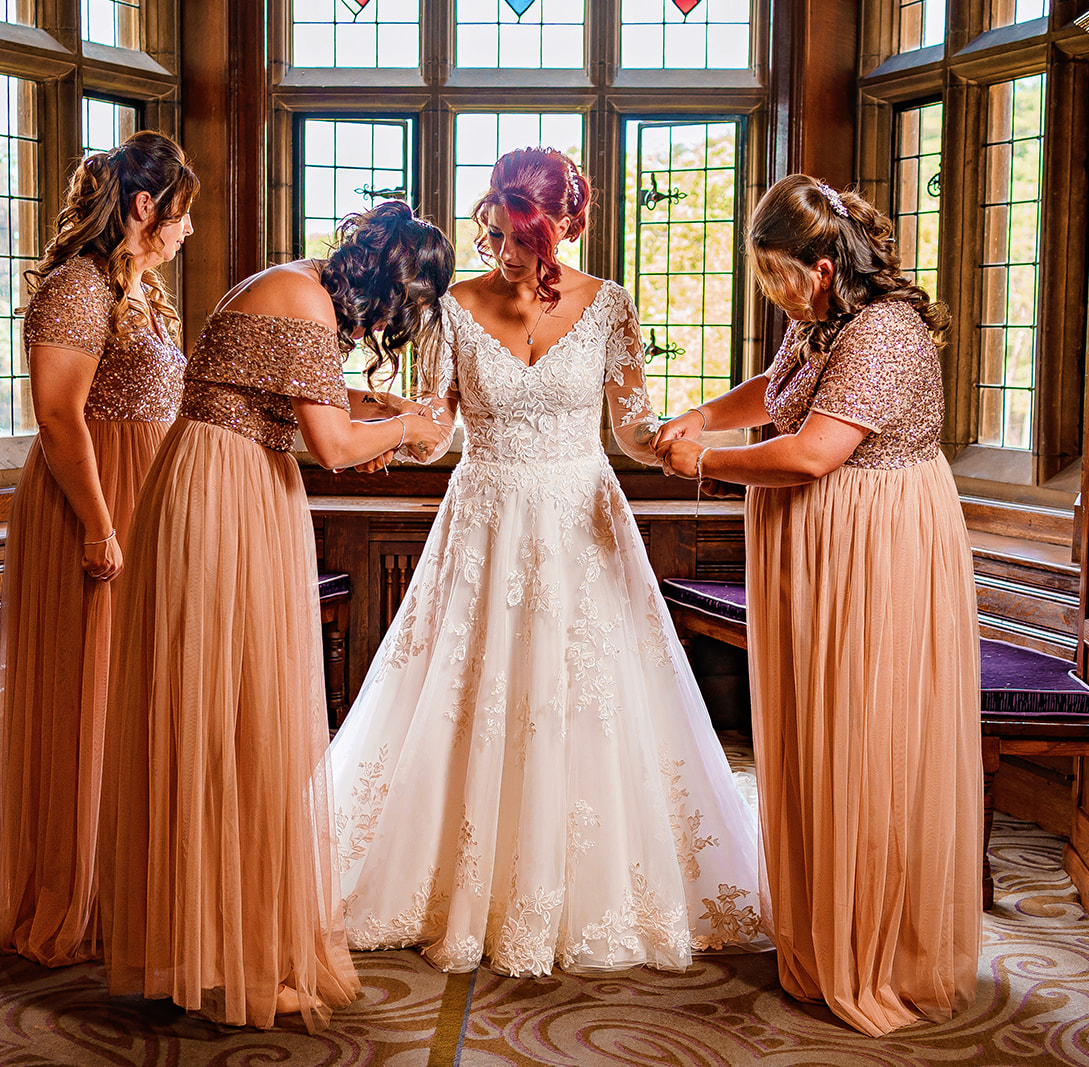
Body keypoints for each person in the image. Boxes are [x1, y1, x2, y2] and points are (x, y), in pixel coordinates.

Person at [328, 148, 766, 978]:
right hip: (484, 519)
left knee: (587, 700)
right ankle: (452, 885)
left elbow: (632, 430)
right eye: (493, 233)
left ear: (567, 225)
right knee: (469, 694)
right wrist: (383, 425)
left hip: (581, 521)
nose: (504, 254)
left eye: (522, 237)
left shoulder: (611, 307)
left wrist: (687, 440)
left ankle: (586, 890)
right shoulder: (454, 307)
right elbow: (439, 429)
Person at [97, 200, 453, 1032]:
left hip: (231, 480)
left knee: (227, 717)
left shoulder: (296, 284)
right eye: (414, 305)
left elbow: (302, 410)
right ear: (396, 285)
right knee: (233, 722)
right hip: (225, 494)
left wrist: (385, 418)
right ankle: (235, 953)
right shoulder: (303, 304)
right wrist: (407, 423)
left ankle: (207, 941)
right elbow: (328, 445)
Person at [654, 175, 981, 1036]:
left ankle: (874, 946)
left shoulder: (884, 332)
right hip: (821, 547)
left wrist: (699, 464)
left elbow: (810, 454)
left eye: (777, 274)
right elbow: (773, 393)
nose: (773, 293)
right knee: (811, 732)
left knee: (864, 736)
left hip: (874, 550)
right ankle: (820, 923)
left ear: (824, 264)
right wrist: (697, 415)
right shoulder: (822, 318)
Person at [0, 132, 198, 967]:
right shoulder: (77, 286)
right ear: (145, 208)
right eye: (182, 213)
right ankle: (73, 890)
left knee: (134, 697)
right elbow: (56, 415)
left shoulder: (141, 291)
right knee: (93, 693)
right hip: (91, 507)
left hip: (141, 499)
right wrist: (101, 524)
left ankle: (123, 880)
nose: (187, 230)